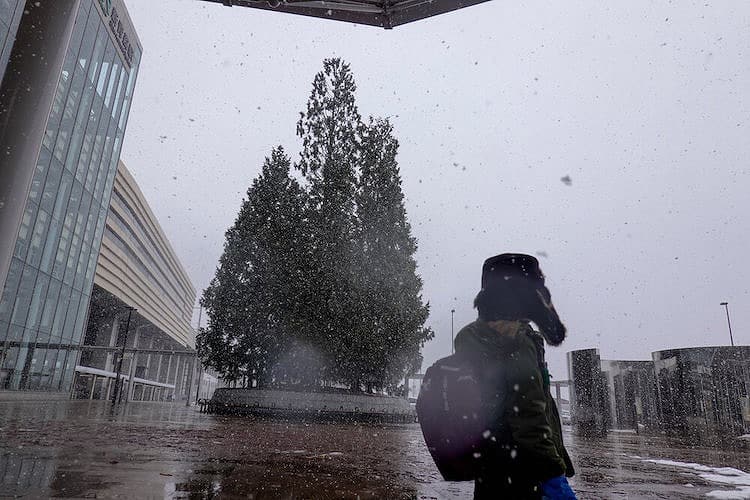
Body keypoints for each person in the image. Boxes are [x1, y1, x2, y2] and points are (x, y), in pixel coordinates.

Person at [453, 253, 576, 499]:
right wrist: (552, 474)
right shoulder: (515, 339)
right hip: (522, 472)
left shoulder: (475, 335)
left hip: (491, 463)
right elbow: (528, 415)